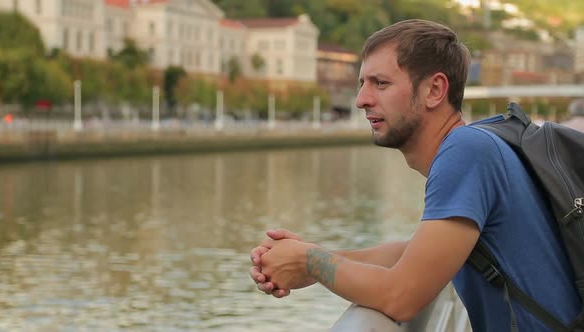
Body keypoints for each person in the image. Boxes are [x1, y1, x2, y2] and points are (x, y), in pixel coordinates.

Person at [248, 19, 581, 331]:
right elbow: (415, 254)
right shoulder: (482, 143)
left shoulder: (466, 151)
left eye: (381, 83)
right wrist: (312, 261)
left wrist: (310, 260)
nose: (362, 99)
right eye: (362, 83)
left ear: (434, 90)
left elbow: (401, 297)